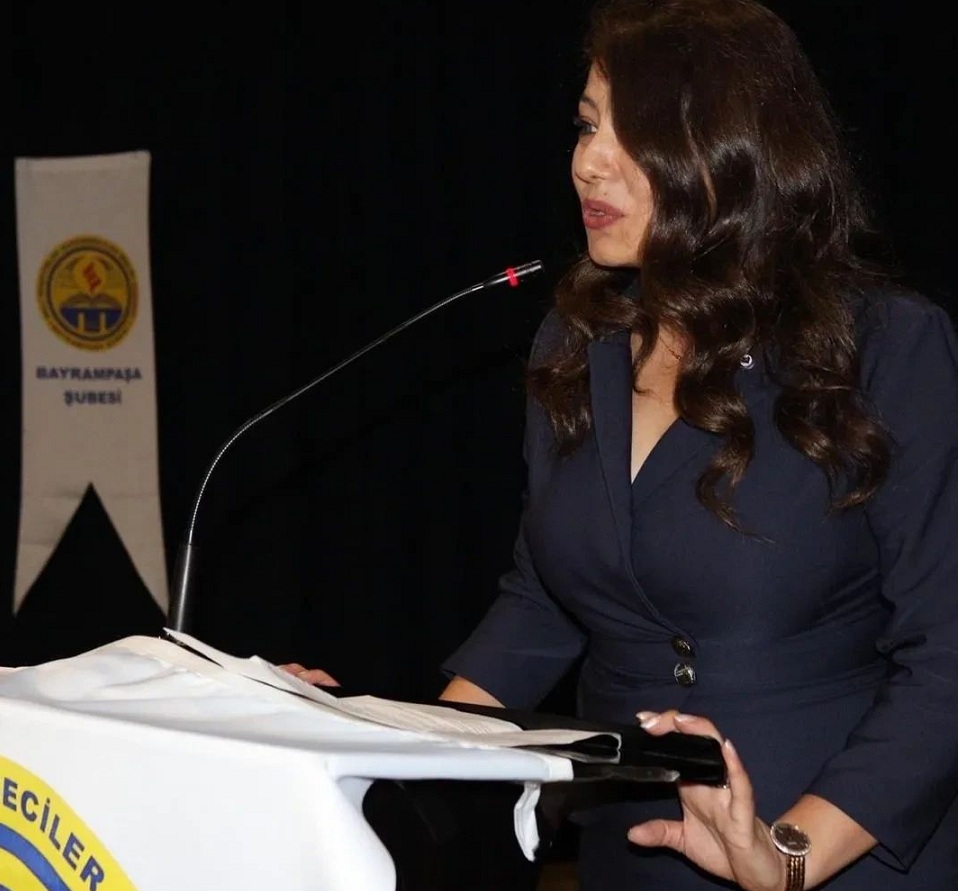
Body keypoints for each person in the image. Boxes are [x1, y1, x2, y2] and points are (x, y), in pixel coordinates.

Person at [288, 0, 958, 887]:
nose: (587, 162)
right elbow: (543, 602)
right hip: (630, 849)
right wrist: (365, 739)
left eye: (631, 132)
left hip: (833, 851)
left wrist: (789, 853)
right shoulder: (577, 344)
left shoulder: (883, 347)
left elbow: (947, 655)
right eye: (586, 126)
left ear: (732, 151)